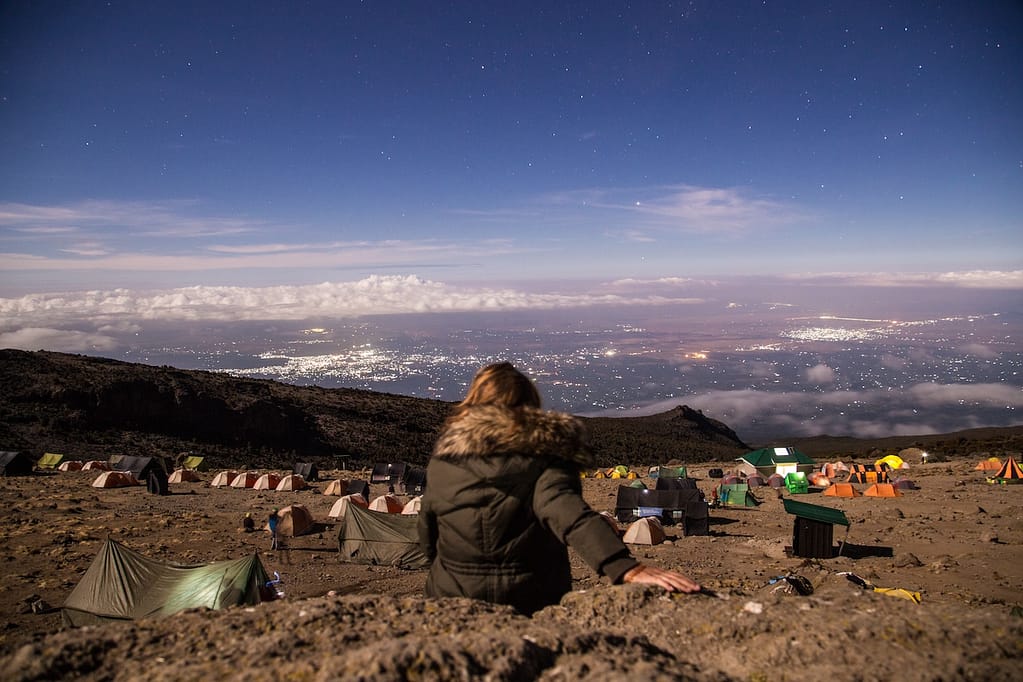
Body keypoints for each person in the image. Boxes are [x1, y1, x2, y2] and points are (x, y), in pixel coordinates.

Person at [418, 362, 701, 615]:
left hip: (450, 597)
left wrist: (446, 574)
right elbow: (572, 517)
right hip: (528, 599)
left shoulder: (444, 463)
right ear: (530, 404)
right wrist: (625, 568)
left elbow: (428, 533)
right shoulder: (543, 461)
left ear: (473, 403)